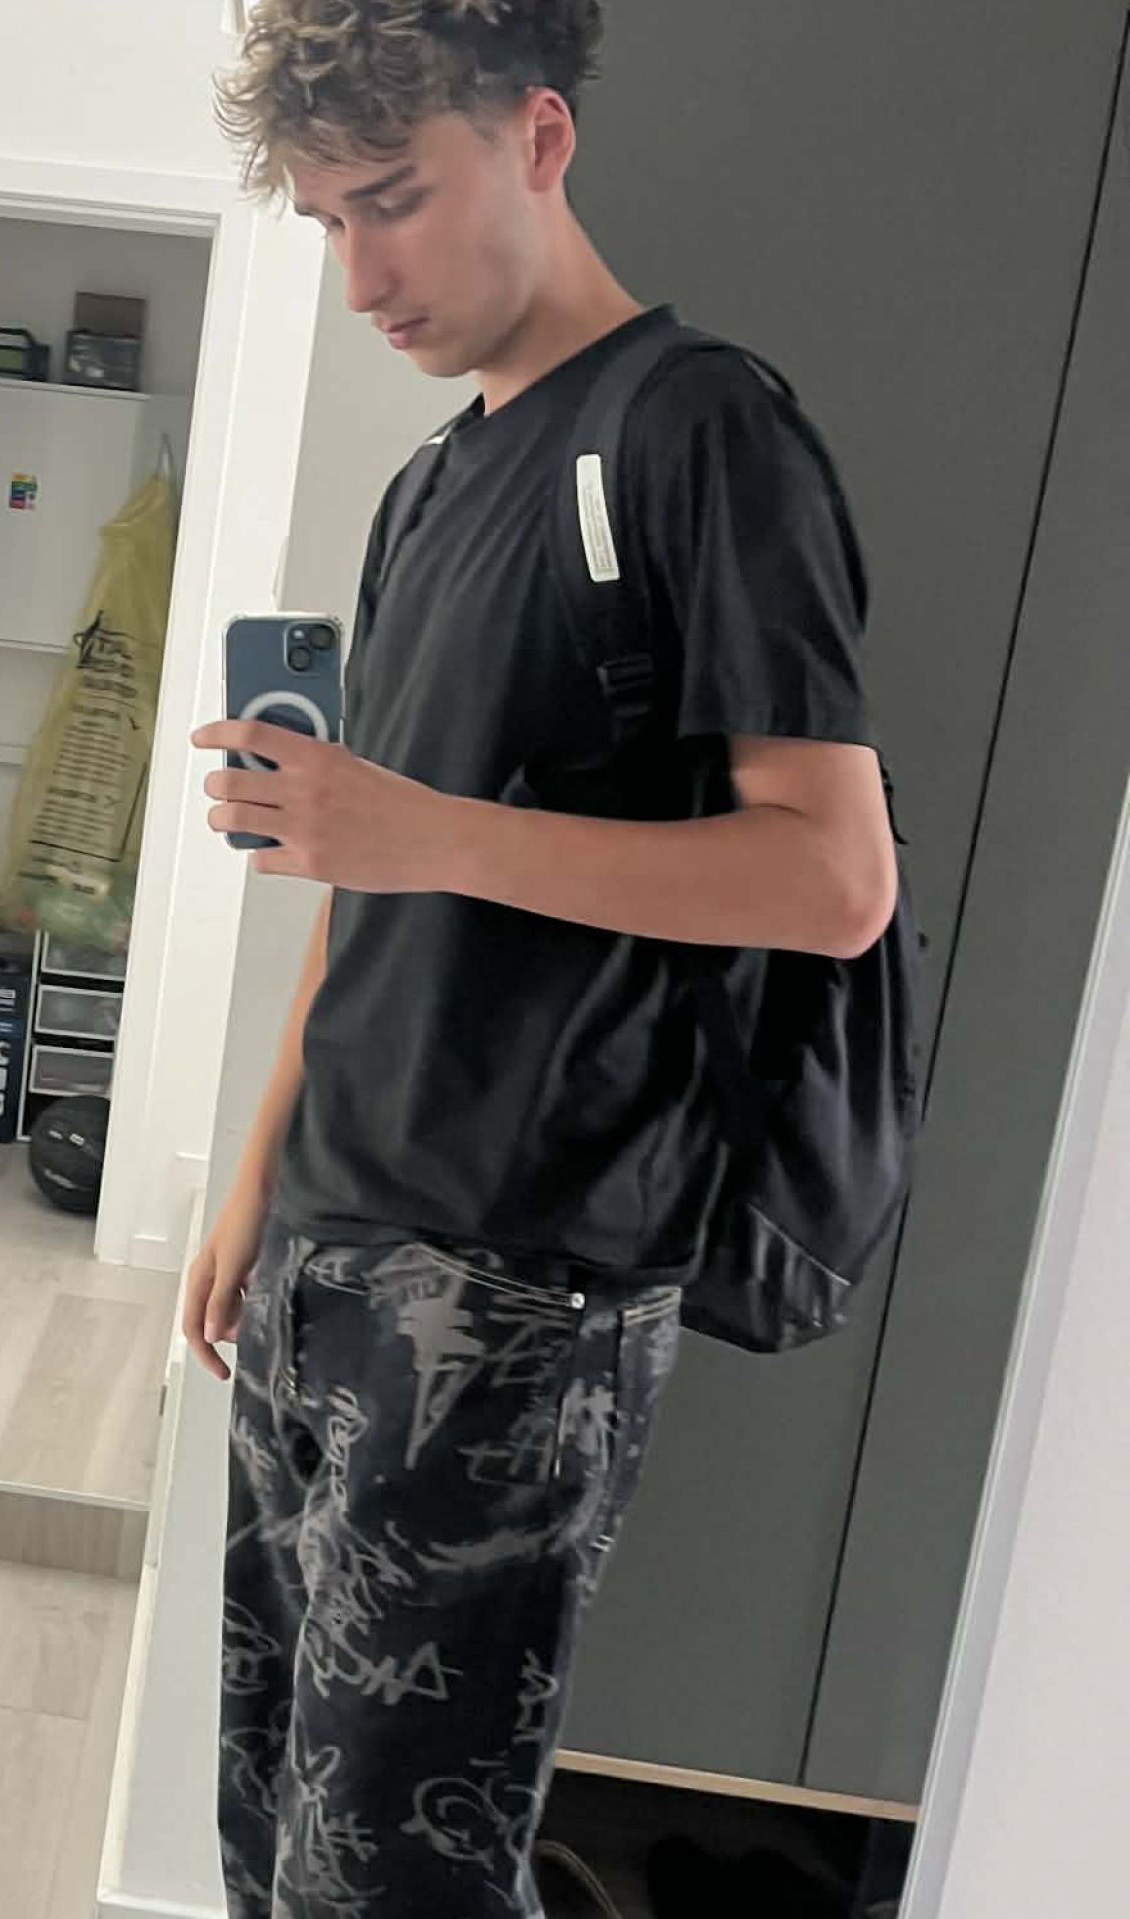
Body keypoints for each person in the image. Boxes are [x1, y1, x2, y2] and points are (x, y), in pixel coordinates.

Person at [185, 4, 899, 1915]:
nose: (362, 277)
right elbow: (363, 881)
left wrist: (425, 833)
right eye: (329, 224)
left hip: (518, 1283)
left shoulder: (701, 431)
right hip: (330, 1242)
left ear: (542, 140)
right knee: (268, 1839)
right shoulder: (430, 480)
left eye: (394, 202)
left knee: (393, 1882)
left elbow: (833, 878)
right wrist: (256, 1179)